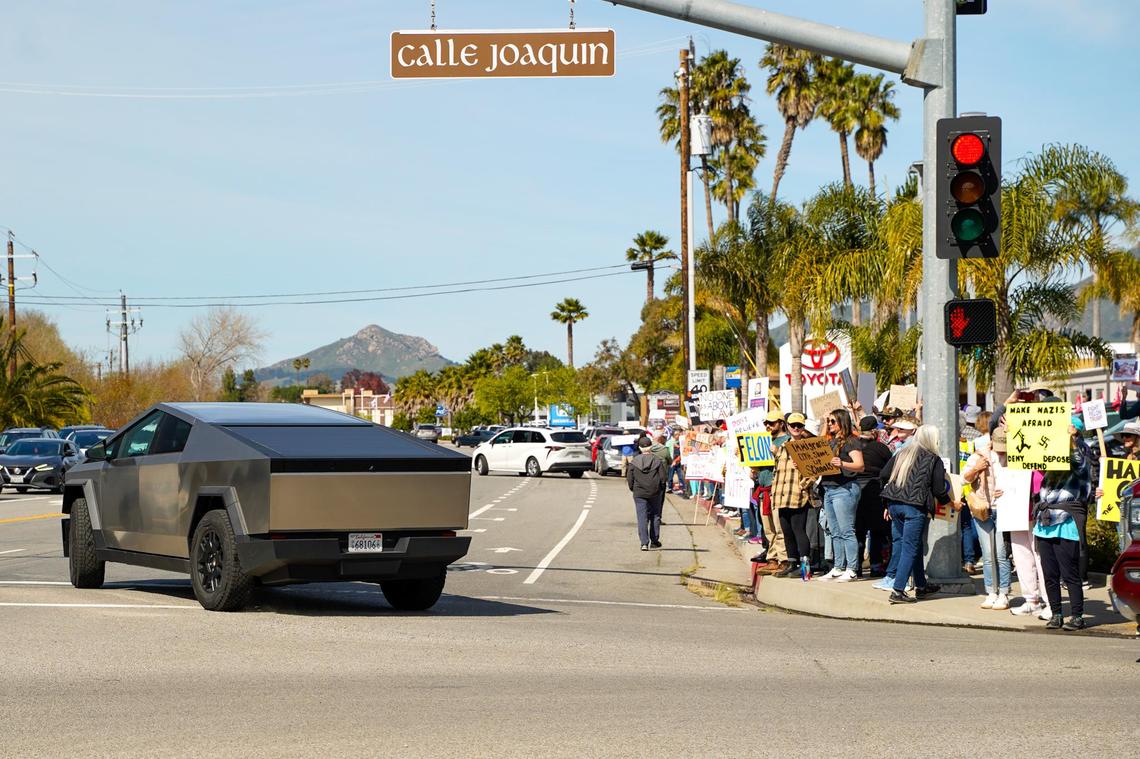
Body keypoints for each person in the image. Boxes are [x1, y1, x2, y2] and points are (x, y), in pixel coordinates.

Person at [879, 424, 952, 604]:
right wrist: (950, 503)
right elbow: (939, 489)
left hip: (895, 503)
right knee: (910, 547)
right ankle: (898, 590)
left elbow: (883, 474)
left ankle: (921, 585)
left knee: (914, 545)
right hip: (914, 506)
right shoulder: (933, 459)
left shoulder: (902, 453)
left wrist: (887, 503)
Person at [1034, 421, 1093, 630]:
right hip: (1044, 522)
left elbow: (1079, 462)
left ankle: (1077, 616)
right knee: (1049, 574)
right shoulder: (1051, 455)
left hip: (1066, 522)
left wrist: (1072, 441)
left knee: (1069, 574)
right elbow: (1030, 454)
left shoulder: (1080, 455)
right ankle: (1056, 613)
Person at [962, 429, 1013, 610]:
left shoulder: (1014, 455)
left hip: (1004, 508)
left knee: (1000, 553)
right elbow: (963, 479)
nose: (1001, 452)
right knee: (988, 553)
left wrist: (1007, 489)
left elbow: (1020, 480)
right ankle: (991, 591)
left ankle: (1004, 592)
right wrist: (977, 468)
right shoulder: (979, 456)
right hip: (983, 508)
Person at [818, 409, 865, 582]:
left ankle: (852, 568)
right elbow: (818, 445)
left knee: (846, 531)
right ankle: (838, 566)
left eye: (832, 422)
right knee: (834, 531)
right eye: (829, 422)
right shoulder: (831, 441)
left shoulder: (851, 441)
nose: (829, 424)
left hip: (844, 488)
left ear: (842, 422)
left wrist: (842, 463)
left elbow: (860, 465)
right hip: (829, 488)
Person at [771, 413, 814, 577]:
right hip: (781, 496)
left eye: (799, 425)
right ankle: (792, 563)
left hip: (797, 496)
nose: (796, 428)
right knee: (786, 531)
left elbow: (813, 474)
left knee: (799, 531)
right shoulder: (782, 447)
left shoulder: (807, 446)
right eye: (793, 425)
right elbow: (777, 472)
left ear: (803, 427)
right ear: (787, 426)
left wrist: (803, 485)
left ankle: (805, 569)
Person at [854, 416, 892, 578]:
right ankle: (876, 565)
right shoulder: (881, 448)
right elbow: (891, 468)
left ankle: (856, 566)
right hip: (876, 490)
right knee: (877, 531)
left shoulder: (852, 446)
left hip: (855, 490)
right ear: (875, 431)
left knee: (858, 531)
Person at [627, 436, 668, 551]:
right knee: (655, 515)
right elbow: (663, 478)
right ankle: (654, 540)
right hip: (655, 492)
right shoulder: (657, 460)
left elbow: (630, 478)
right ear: (651, 447)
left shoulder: (634, 462)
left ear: (640, 448)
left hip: (639, 493)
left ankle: (644, 543)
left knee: (642, 517)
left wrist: (633, 489)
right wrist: (660, 489)